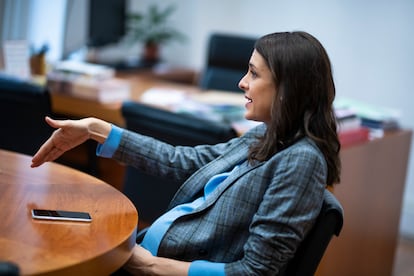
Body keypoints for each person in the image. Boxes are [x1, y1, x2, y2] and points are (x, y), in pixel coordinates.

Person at [31, 31, 341, 275]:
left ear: (288, 89)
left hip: (154, 265)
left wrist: (147, 266)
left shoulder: (302, 160)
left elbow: (255, 271)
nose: (242, 82)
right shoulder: (267, 134)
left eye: (254, 74)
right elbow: (182, 161)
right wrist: (96, 129)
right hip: (144, 252)